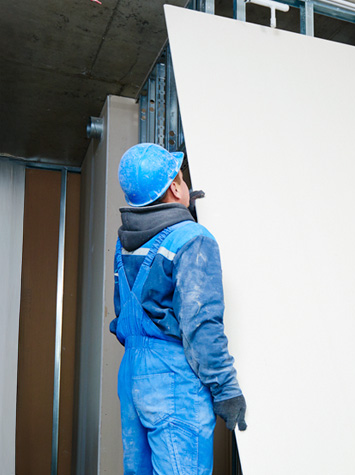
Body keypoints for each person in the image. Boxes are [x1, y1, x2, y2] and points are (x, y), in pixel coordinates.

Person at [112, 142, 246, 475]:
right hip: (171, 377)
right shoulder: (193, 240)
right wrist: (225, 388)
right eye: (182, 180)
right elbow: (201, 324)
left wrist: (183, 212)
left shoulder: (126, 240)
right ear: (174, 186)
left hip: (132, 375)